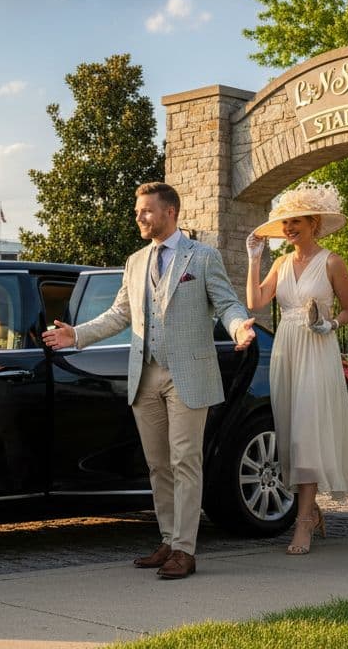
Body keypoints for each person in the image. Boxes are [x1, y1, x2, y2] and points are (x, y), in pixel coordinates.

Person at [42, 182, 256, 580]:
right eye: (138, 211)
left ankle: (185, 551)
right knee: (158, 465)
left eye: (146, 211)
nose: (139, 217)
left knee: (185, 461)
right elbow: (119, 314)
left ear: (170, 212)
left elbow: (227, 303)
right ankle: (168, 539)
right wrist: (78, 335)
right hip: (146, 374)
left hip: (188, 374)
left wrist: (238, 327)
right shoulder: (136, 261)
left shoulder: (203, 257)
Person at [244, 182, 348, 555]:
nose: (289, 228)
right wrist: (254, 259)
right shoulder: (281, 263)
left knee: (309, 432)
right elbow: (255, 302)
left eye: (296, 221)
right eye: (285, 223)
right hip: (287, 349)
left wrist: (330, 324)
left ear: (314, 222)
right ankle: (310, 509)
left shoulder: (332, 261)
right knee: (291, 432)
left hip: (317, 348)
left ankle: (302, 523)